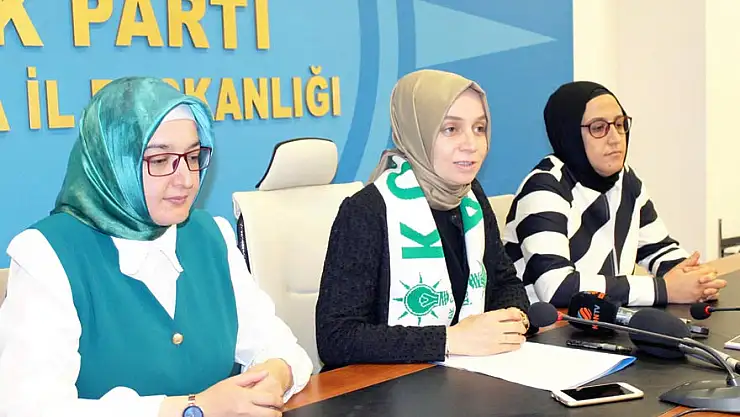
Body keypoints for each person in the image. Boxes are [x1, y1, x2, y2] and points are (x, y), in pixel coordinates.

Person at [0, 77, 313, 417]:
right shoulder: (47, 254)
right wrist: (192, 409)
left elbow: (280, 346)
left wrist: (275, 376)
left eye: (193, 156)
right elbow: (27, 408)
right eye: (161, 161)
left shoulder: (211, 235)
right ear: (113, 163)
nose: (187, 179)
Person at [315, 69, 533, 371]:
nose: (471, 144)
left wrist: (513, 316)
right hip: (384, 386)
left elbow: (505, 281)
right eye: (451, 129)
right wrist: (449, 340)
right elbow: (337, 338)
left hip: (464, 376)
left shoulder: (472, 197)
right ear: (417, 131)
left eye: (479, 128)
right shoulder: (367, 211)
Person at [503, 81, 726, 308]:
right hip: (548, 325)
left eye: (620, 124)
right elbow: (556, 288)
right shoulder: (543, 187)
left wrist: (697, 280)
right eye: (598, 128)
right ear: (569, 134)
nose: (616, 138)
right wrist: (663, 290)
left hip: (606, 318)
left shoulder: (625, 179)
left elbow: (658, 248)